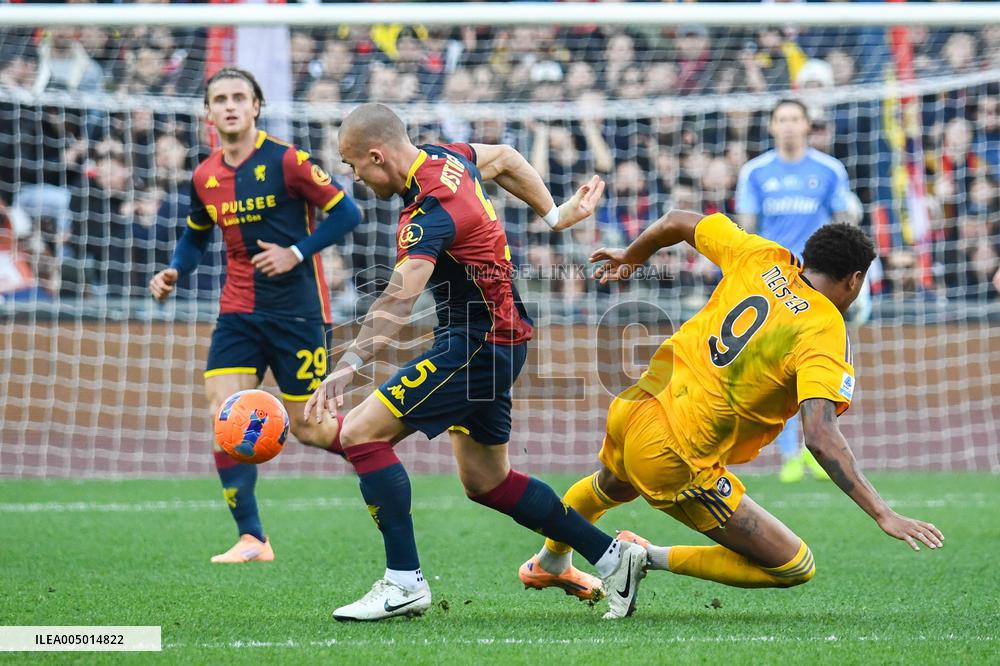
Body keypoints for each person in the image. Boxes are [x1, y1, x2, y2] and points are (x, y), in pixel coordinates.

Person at [303, 103, 647, 622]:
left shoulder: (427, 214)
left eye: (353, 166)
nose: (353, 177)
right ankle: (614, 557)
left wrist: (349, 363)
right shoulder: (449, 158)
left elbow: (398, 300)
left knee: (360, 434)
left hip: (477, 344)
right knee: (488, 483)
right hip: (499, 338)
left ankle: (403, 582)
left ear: (377, 156)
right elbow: (507, 158)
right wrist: (554, 216)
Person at [520, 210, 944, 603]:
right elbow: (819, 435)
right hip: (675, 453)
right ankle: (642, 556)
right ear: (854, 280)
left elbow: (678, 220)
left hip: (638, 404)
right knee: (794, 564)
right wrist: (882, 513)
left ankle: (550, 562)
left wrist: (634, 256)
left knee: (609, 485)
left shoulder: (762, 255)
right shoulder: (824, 329)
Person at [149, 68, 363, 563]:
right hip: (239, 314)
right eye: (219, 98)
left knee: (313, 428)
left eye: (239, 97)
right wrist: (175, 270)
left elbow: (347, 213)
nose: (229, 106)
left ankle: (373, 452)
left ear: (256, 107)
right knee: (226, 418)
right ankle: (252, 538)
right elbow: (196, 234)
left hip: (299, 316)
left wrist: (297, 251)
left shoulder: (288, 161)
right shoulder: (204, 175)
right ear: (207, 113)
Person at [735, 98, 855, 483]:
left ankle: (816, 446)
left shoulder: (829, 170)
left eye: (795, 119)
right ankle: (790, 453)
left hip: (820, 285)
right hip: (775, 286)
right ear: (772, 126)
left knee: (819, 366)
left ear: (807, 125)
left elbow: (843, 222)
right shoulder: (755, 172)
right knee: (780, 370)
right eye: (781, 119)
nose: (788, 126)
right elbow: (747, 229)